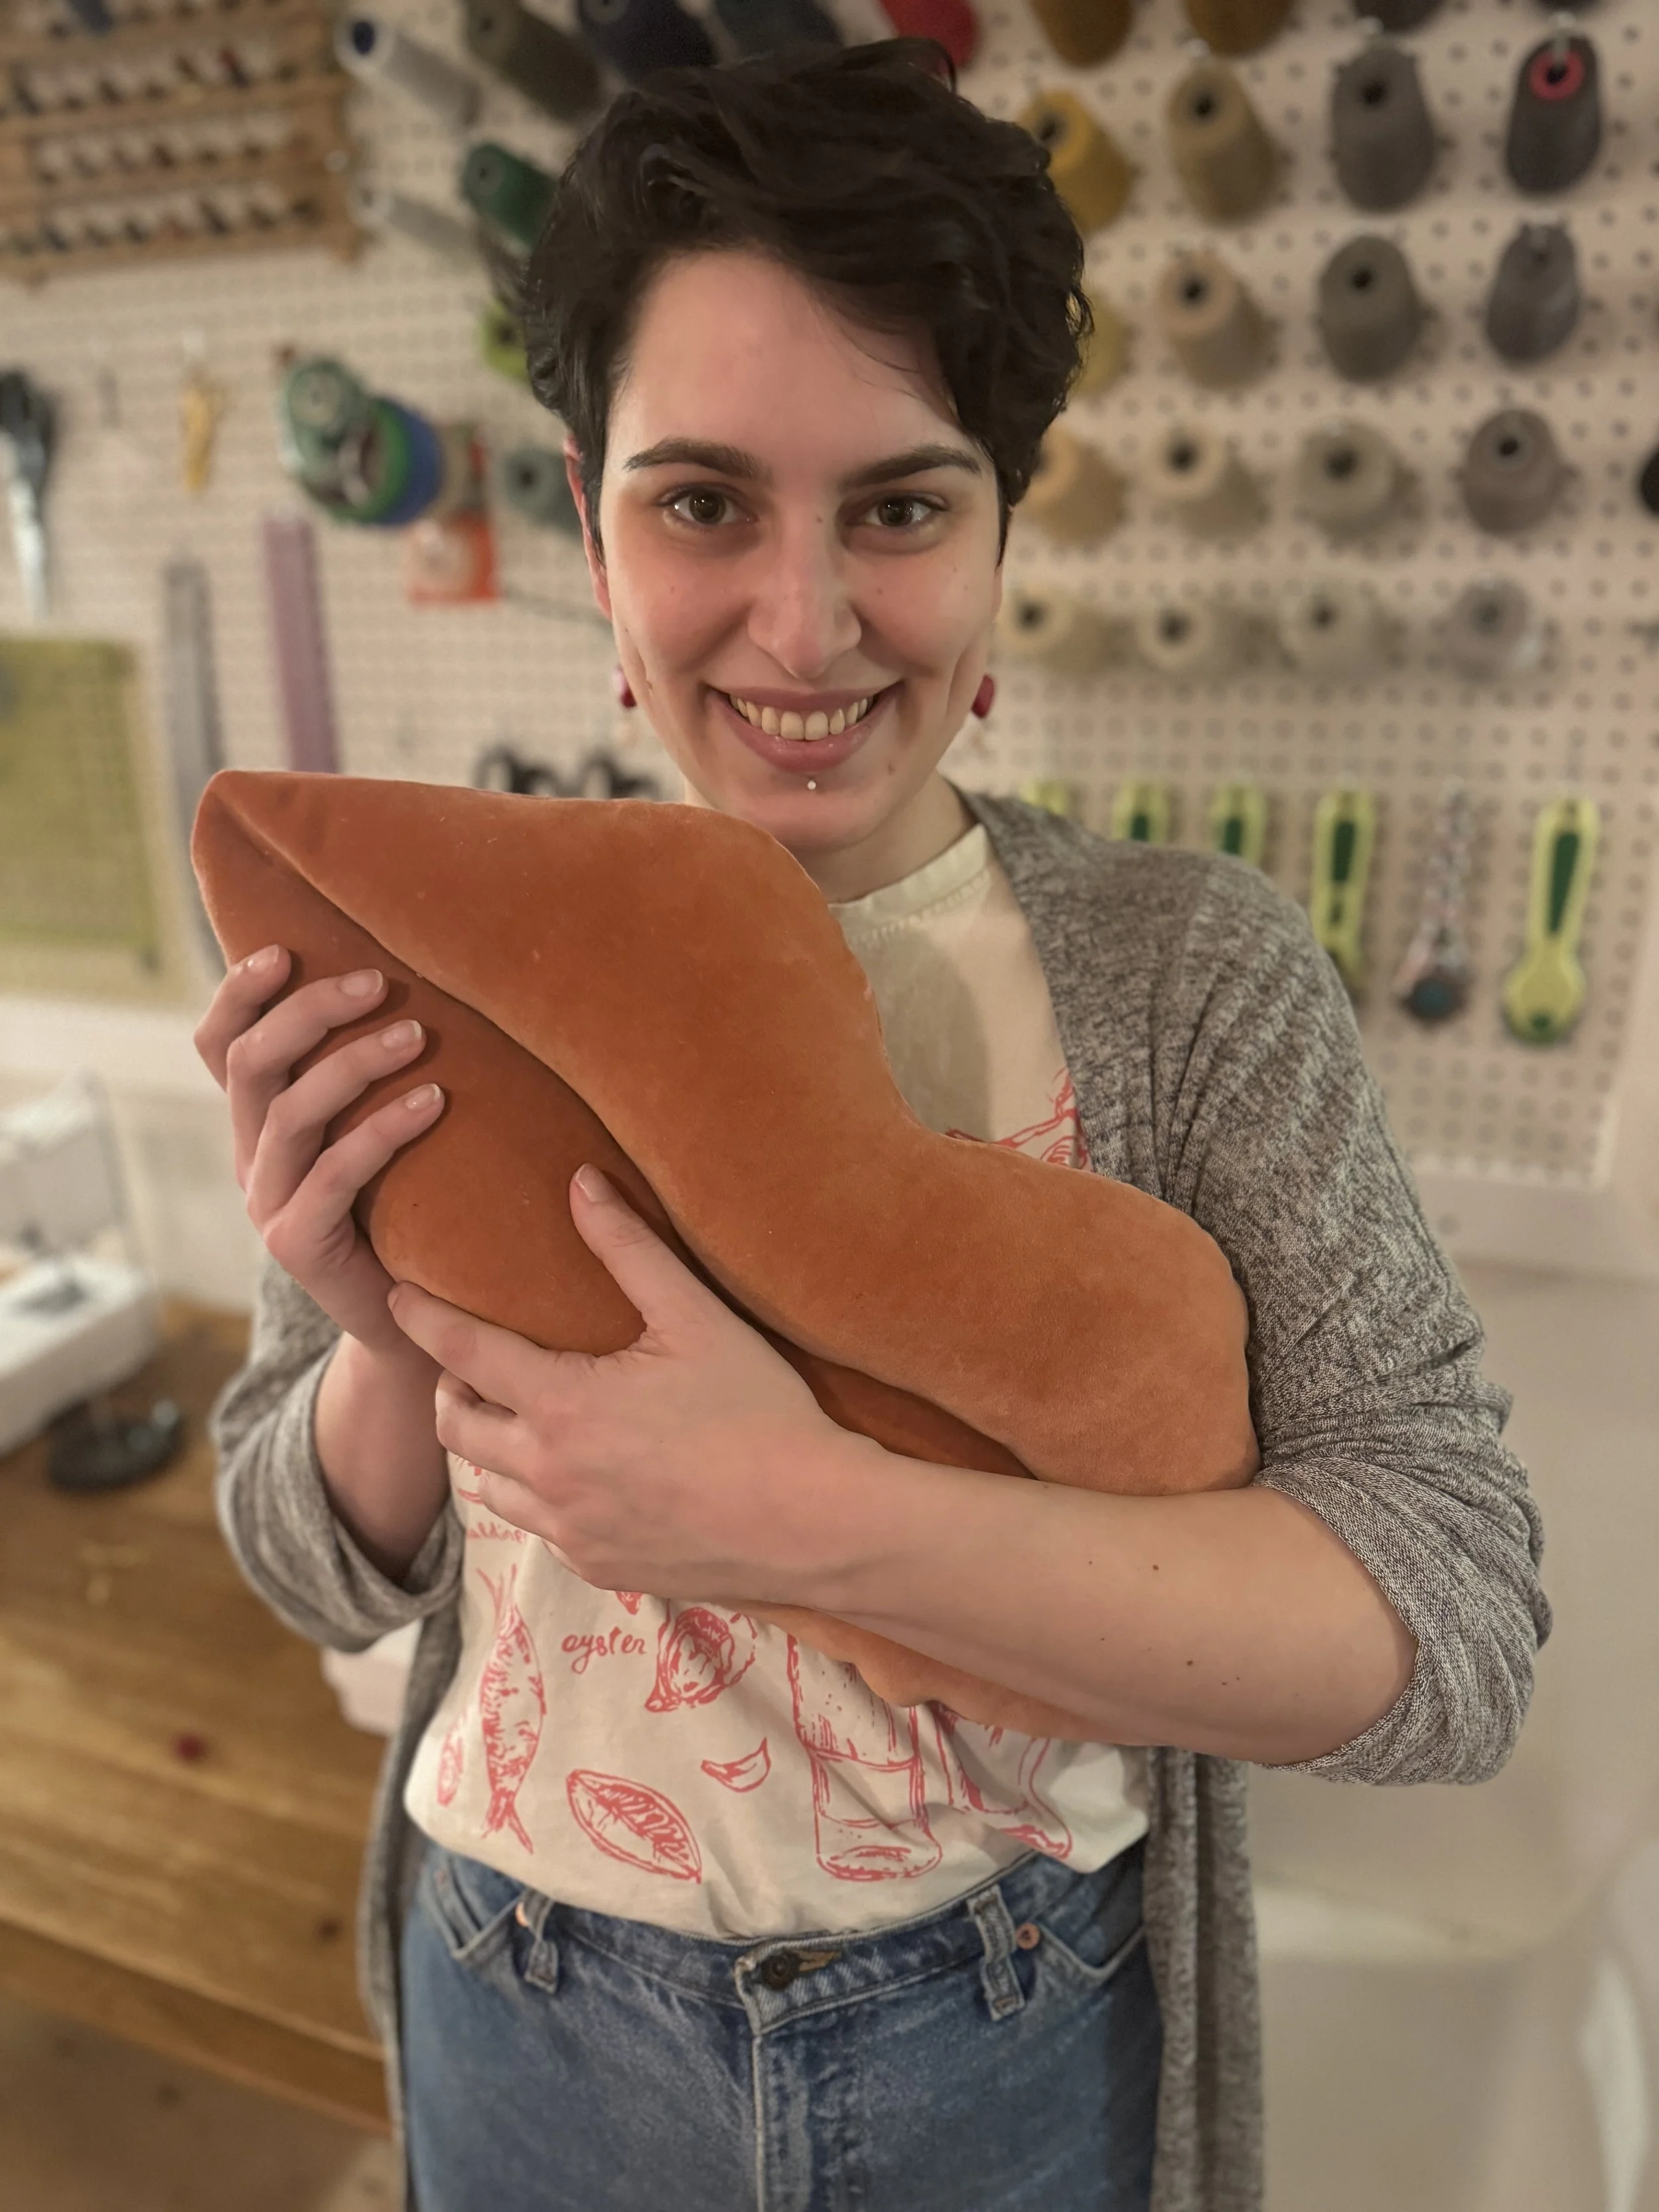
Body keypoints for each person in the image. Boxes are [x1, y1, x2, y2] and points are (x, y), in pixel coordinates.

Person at [199, 40, 1550, 2212]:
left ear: (1005, 523)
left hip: (994, 2042)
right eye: (702, 500)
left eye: (900, 506)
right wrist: (382, 1335)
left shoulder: (1184, 976)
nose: (802, 623)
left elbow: (1447, 1627)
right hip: (515, 1998)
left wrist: (801, 1517)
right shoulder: (453, 942)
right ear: (587, 513)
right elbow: (296, 1556)